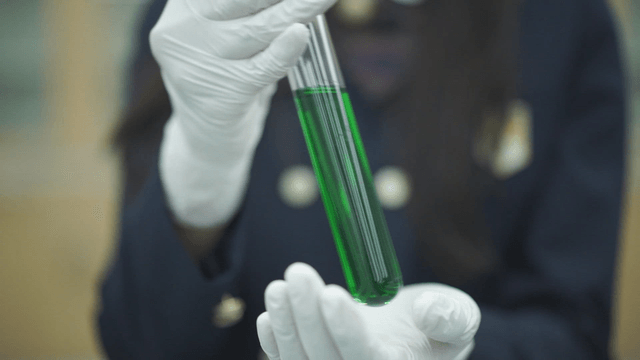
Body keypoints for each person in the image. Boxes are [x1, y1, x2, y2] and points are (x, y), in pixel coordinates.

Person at [98, 0, 627, 358]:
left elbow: (576, 333)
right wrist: (201, 165)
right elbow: (137, 340)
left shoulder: (560, 18)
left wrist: (458, 347)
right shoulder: (211, 15)